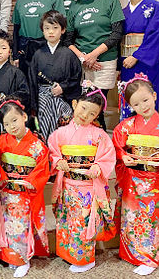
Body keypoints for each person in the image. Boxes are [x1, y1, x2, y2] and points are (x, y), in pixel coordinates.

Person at [113, 74, 159, 276]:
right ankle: (129, 253)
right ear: (130, 106)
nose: (142, 106)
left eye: (145, 100)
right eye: (136, 104)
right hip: (132, 179)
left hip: (154, 181)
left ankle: (149, 259)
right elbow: (118, 144)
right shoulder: (127, 126)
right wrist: (123, 155)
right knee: (131, 217)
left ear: (154, 96)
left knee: (150, 218)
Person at [48, 81, 116, 273]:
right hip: (67, 186)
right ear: (75, 104)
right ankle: (68, 255)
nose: (86, 115)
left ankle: (85, 259)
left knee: (84, 222)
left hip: (87, 188)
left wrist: (97, 165)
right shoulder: (60, 133)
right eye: (83, 108)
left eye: (92, 113)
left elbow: (107, 156)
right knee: (67, 220)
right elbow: (52, 152)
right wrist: (58, 160)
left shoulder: (99, 134)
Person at [64, 0, 125, 130]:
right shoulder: (74, 6)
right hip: (82, 64)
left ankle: (101, 145)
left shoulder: (110, 0)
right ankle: (83, 144)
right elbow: (68, 40)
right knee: (82, 107)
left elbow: (117, 33)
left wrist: (94, 55)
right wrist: (84, 58)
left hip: (104, 62)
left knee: (97, 107)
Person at [0, 98, 50, 278]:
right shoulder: (2, 142)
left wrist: (29, 181)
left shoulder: (37, 145)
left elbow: (42, 168)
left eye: (15, 120)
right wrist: (3, 178)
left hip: (25, 193)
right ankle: (10, 256)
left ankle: (23, 259)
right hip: (6, 191)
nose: (12, 126)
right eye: (7, 124)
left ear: (24, 116)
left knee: (21, 227)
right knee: (6, 225)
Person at [118, 0, 159, 120]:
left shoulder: (155, 7)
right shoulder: (123, 12)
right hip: (126, 64)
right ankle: (126, 142)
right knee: (128, 103)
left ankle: (148, 141)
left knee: (145, 102)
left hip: (146, 64)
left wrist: (137, 56)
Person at [29, 10, 81, 141]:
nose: (51, 32)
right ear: (42, 30)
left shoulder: (69, 54)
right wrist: (34, 105)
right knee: (42, 128)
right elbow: (32, 81)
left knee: (63, 130)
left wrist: (63, 87)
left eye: (55, 28)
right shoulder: (38, 54)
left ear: (63, 30)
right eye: (47, 28)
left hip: (62, 98)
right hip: (42, 99)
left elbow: (76, 77)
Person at [12, 0, 66, 77]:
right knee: (26, 86)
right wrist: (15, 54)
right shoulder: (21, 0)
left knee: (45, 84)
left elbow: (60, 26)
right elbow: (16, 30)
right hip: (25, 49)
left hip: (46, 48)